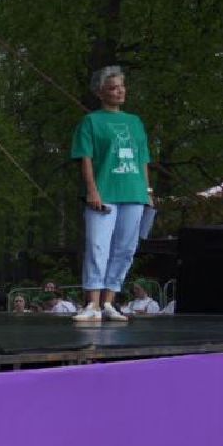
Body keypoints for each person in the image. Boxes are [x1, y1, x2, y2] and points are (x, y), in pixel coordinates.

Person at [70, 65, 154, 323]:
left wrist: (148, 191)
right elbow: (85, 158)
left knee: (126, 248)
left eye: (122, 87)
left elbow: (143, 160)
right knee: (98, 246)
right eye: (113, 88)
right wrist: (92, 190)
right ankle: (92, 303)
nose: (120, 91)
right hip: (104, 192)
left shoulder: (135, 122)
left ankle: (109, 301)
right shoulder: (91, 121)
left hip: (134, 192)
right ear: (100, 92)